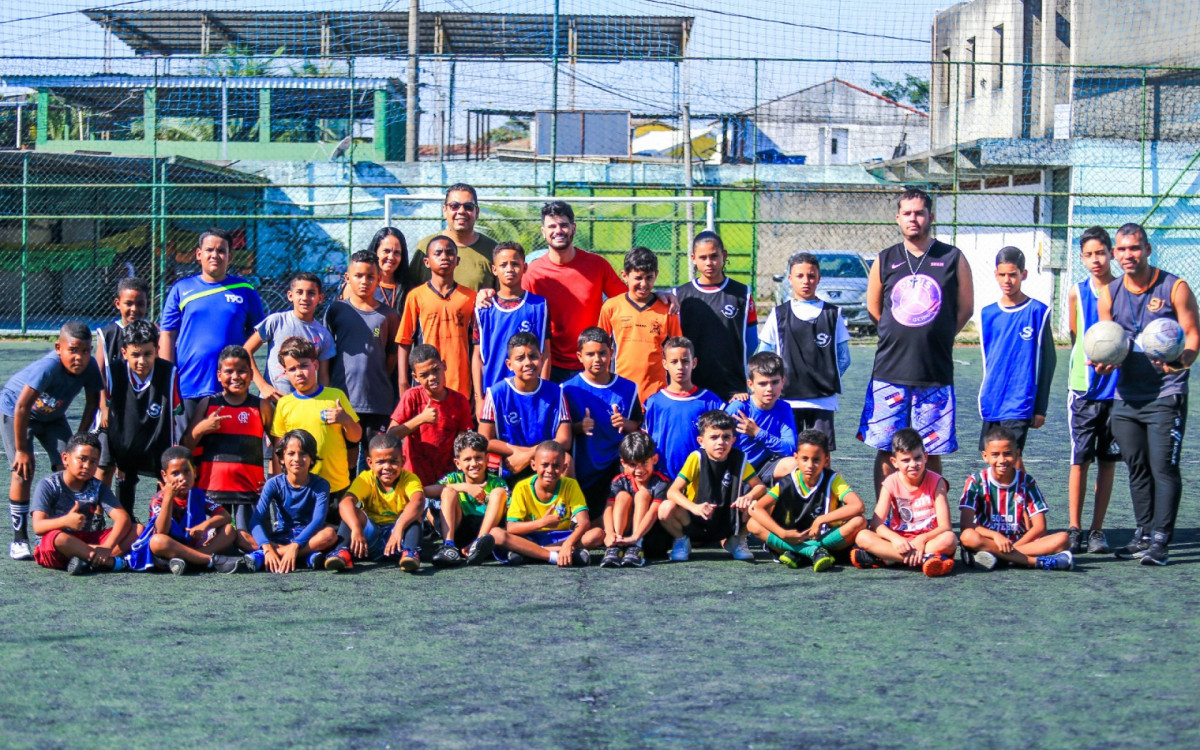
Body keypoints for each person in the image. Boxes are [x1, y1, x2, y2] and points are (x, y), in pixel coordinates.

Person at [858, 188, 974, 496]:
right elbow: (874, 310)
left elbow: (965, 308)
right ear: (898, 218)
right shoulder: (885, 260)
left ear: (931, 217)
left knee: (930, 450)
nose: (914, 219)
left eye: (920, 213)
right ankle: (887, 515)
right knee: (886, 448)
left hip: (934, 370)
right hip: (890, 371)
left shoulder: (952, 258)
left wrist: (940, 333)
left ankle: (931, 517)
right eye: (907, 213)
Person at [1097, 222, 1199, 566]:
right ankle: (1143, 534)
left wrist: (1182, 362)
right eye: (1122, 249)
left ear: (1148, 249)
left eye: (1135, 248)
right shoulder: (1109, 293)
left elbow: (1193, 334)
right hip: (1126, 396)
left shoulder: (1175, 287)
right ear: (1115, 253)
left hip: (1165, 394)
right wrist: (1104, 363)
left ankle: (1161, 541)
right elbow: (1106, 340)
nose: (1128, 255)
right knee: (1137, 466)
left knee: (1163, 467)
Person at [1, 322, 102, 560]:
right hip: (16, 411)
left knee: (71, 466)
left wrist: (79, 438)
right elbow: (23, 406)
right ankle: (19, 539)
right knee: (23, 470)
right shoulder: (48, 368)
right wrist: (23, 450)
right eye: (73, 350)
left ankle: (57, 529)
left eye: (86, 351)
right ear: (59, 347)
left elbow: (92, 402)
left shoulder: (90, 367)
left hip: (53, 417)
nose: (80, 357)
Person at [517, 201, 627, 382]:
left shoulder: (597, 265)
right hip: (549, 366)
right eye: (552, 226)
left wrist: (658, 296)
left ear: (573, 228)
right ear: (543, 232)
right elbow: (513, 303)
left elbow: (627, 300)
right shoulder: (532, 273)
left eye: (564, 225)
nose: (558, 230)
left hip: (591, 363)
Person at [158, 228, 265, 408]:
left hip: (232, 387)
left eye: (221, 251)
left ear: (230, 257)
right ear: (199, 254)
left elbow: (259, 332)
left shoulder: (245, 289)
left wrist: (240, 360)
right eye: (209, 250)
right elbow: (167, 334)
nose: (215, 255)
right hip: (188, 386)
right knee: (187, 437)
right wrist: (167, 380)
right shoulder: (181, 289)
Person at [758, 252, 851, 449]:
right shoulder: (778, 314)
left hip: (823, 402)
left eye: (811, 276)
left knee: (821, 455)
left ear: (819, 278)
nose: (806, 281)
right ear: (790, 279)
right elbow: (763, 356)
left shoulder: (834, 314)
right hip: (788, 400)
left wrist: (825, 379)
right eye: (799, 276)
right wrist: (776, 384)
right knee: (790, 452)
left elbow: (844, 358)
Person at [1065, 226, 1120, 554]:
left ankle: (1097, 530)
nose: (1095, 259)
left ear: (1111, 253)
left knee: (1108, 460)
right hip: (1084, 389)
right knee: (1079, 459)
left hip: (1117, 391)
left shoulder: (1124, 290)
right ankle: (1075, 527)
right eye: (1088, 254)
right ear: (1082, 258)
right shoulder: (1076, 292)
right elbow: (1076, 337)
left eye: (1101, 252)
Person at [184, 345, 272, 544]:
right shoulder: (208, 404)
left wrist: (273, 480)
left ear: (251, 374)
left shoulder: (261, 406)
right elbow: (185, 446)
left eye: (241, 370)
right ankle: (207, 558)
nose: (236, 376)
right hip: (212, 492)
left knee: (249, 540)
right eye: (229, 371)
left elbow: (277, 447)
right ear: (218, 375)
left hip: (249, 492)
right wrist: (202, 428)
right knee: (214, 540)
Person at [325, 250, 403, 475]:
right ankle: (343, 508)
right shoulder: (336, 310)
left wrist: (376, 382)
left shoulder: (388, 316)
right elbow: (327, 355)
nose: (364, 281)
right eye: (358, 275)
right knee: (344, 462)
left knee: (375, 461)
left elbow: (391, 357)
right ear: (348, 278)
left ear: (378, 279)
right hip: (343, 401)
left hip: (377, 402)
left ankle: (372, 509)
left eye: (370, 276)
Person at [958, 426, 1074, 571]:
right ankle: (1037, 562)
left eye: (1007, 454)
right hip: (990, 540)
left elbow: (1039, 527)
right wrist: (996, 536)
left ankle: (999, 558)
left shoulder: (1027, 482)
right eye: (995, 454)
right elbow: (966, 525)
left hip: (1020, 542)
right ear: (985, 456)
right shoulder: (976, 481)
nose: (1002, 460)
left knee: (1063, 539)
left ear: (1017, 453)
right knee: (968, 537)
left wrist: (1012, 549)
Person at [747, 429, 865, 572]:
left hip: (822, 537)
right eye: (804, 459)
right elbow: (757, 508)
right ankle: (811, 552)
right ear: (796, 458)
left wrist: (821, 519)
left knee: (860, 522)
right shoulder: (787, 482)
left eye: (816, 460)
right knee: (752, 523)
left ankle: (799, 553)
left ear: (826, 460)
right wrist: (783, 533)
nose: (810, 465)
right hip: (790, 537)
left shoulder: (833, 479)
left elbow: (858, 506)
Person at [100, 319, 183, 517]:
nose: (142, 361)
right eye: (135, 355)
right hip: (126, 444)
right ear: (124, 353)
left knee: (164, 481)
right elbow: (108, 409)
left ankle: (162, 523)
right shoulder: (114, 372)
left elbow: (175, 412)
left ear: (157, 349)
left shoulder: (168, 372)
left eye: (148, 354)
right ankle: (122, 522)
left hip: (158, 442)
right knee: (125, 479)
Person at [270, 337, 362, 513]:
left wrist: (346, 420)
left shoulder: (335, 396)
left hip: (335, 485)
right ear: (285, 373)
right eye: (292, 369)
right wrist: (279, 483)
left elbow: (356, 436)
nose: (299, 373)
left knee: (337, 537)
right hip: (300, 487)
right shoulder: (284, 404)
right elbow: (278, 449)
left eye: (304, 365)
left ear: (316, 365)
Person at [977, 247, 1055, 455]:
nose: (1007, 280)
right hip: (993, 400)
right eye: (1002, 275)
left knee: (1011, 459)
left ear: (1024, 274)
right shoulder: (987, 314)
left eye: (1013, 274)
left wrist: (1040, 408)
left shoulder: (1038, 312)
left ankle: (1028, 489)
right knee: (994, 460)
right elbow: (989, 362)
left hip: (1020, 401)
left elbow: (1048, 362)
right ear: (995, 275)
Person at [660, 410, 765, 562]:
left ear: (733, 440)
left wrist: (748, 497)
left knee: (756, 504)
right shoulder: (696, 458)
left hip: (727, 519)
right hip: (695, 520)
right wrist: (694, 507)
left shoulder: (739, 459)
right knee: (665, 508)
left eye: (726, 437)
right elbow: (672, 492)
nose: (720, 442)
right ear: (701, 441)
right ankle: (682, 541)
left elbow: (760, 486)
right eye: (714, 437)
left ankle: (737, 540)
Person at [850, 428, 957, 577]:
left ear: (926, 457)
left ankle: (889, 559)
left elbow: (945, 526)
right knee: (862, 536)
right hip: (900, 541)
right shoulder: (891, 482)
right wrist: (896, 539)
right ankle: (925, 559)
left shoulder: (936, 481)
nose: (913, 464)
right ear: (894, 462)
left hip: (927, 541)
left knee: (950, 539)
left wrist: (922, 539)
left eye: (918, 458)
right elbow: (876, 524)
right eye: (906, 460)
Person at [562, 327, 642, 522]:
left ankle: (623, 538)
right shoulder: (567, 389)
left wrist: (625, 422)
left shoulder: (628, 388)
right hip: (582, 469)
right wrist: (579, 427)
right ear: (580, 356)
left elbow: (638, 425)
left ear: (611, 353)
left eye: (602, 353)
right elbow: (558, 432)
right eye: (590, 354)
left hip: (614, 468)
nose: (597, 359)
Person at [124, 446, 244, 574]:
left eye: (187, 471)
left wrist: (205, 525)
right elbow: (161, 530)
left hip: (193, 545)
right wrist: (169, 497)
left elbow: (225, 516)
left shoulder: (197, 495)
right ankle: (209, 560)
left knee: (229, 530)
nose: (182, 478)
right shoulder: (159, 499)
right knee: (157, 541)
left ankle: (194, 559)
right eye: (175, 473)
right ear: (164, 476)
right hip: (169, 548)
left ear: (195, 472)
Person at [30, 433, 134, 574]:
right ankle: (108, 562)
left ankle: (91, 560)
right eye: (82, 459)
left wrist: (107, 547)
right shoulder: (48, 485)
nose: (87, 466)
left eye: (93, 462)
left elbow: (123, 518)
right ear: (65, 458)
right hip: (55, 546)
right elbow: (38, 526)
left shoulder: (97, 486)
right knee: (58, 538)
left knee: (137, 529)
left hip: (85, 542)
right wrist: (65, 521)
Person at [325, 433, 426, 573]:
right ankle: (342, 552)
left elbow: (419, 501)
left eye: (393, 461)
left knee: (415, 516)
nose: (387, 467)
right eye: (380, 462)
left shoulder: (410, 479)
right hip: (370, 539)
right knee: (352, 512)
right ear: (370, 462)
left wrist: (399, 528)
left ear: (402, 461)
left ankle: (409, 553)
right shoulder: (366, 478)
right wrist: (356, 528)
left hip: (397, 540)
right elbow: (345, 503)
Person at [675, 231, 758, 401]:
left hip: (734, 389)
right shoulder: (680, 295)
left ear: (724, 255)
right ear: (693, 258)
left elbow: (751, 342)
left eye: (714, 256)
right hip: (692, 387)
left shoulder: (743, 294)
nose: (709, 263)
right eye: (703, 257)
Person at [479, 332, 572, 481]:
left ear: (541, 358)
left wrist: (529, 455)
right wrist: (519, 454)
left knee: (566, 460)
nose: (528, 362)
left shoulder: (556, 392)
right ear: (509, 364)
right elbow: (485, 439)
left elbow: (565, 440)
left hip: (545, 461)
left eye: (533, 356)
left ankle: (564, 504)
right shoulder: (496, 393)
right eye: (520, 358)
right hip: (510, 461)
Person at [245, 429, 340, 573]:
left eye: (303, 454)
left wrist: (295, 546)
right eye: (291, 453)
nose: (297, 459)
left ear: (312, 459)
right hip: (281, 537)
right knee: (241, 536)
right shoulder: (273, 483)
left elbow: (318, 520)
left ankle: (272, 557)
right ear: (282, 458)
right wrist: (267, 546)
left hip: (309, 538)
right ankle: (306, 556)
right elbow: (255, 520)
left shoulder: (321, 485)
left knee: (329, 534)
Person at [598, 245, 682, 403]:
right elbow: (599, 348)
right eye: (638, 278)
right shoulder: (611, 307)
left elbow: (678, 352)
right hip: (620, 392)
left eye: (649, 277)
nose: (643, 284)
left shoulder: (667, 309)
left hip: (657, 393)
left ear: (656, 275)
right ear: (625, 275)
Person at [472, 241, 550, 412]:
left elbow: (545, 353)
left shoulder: (539, 306)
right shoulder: (483, 308)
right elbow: (478, 356)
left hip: (530, 392)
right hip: (493, 392)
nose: (509, 269)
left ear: (525, 267)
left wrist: (542, 391)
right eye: (503, 264)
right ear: (494, 270)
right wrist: (479, 399)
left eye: (515, 264)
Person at [397, 235, 477, 400]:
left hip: (460, 386)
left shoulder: (470, 297)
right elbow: (404, 342)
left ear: (457, 260)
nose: (444, 257)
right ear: (426, 261)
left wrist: (477, 390)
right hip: (426, 386)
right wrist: (403, 382)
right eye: (438, 253)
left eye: (449, 253)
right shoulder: (416, 296)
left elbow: (477, 346)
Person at [499, 440, 603, 566]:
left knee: (597, 534)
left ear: (564, 467)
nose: (550, 470)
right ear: (533, 465)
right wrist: (543, 522)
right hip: (531, 538)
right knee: (497, 534)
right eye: (545, 465)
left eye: (556, 466)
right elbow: (512, 527)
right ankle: (556, 555)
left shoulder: (570, 485)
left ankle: (531, 553)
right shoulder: (522, 488)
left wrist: (568, 544)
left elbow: (584, 522)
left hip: (562, 538)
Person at [388, 344, 475, 488]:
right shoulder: (412, 397)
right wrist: (421, 419)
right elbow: (391, 436)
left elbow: (462, 444)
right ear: (415, 377)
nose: (432, 377)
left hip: (447, 479)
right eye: (424, 375)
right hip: (412, 478)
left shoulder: (460, 401)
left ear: (444, 365)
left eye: (436, 370)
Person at [93, 276, 150, 487]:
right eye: (129, 303)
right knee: (104, 464)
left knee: (129, 465)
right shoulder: (107, 334)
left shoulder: (151, 334)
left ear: (147, 304)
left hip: (137, 411)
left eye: (140, 303)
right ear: (118, 303)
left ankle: (124, 512)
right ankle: (98, 515)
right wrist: (103, 406)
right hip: (112, 410)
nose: (134, 309)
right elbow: (98, 373)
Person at [642, 336, 726, 479]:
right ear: (664, 364)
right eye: (674, 362)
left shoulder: (711, 402)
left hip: (701, 480)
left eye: (685, 361)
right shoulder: (654, 403)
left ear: (694, 363)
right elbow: (645, 445)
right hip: (662, 481)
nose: (680, 367)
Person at [244, 271, 336, 400]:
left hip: (304, 407)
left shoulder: (323, 335)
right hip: (272, 403)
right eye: (299, 292)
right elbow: (246, 351)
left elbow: (323, 377)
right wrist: (263, 386)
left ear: (320, 298)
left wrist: (323, 403)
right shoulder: (276, 321)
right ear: (290, 295)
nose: (304, 297)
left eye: (311, 293)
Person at [428, 431, 510, 567]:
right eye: (467, 459)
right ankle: (449, 547)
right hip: (458, 529)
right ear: (458, 463)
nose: (474, 463)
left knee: (499, 493)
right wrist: (465, 487)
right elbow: (424, 491)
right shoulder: (454, 479)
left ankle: (478, 544)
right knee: (447, 491)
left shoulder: (497, 482)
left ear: (487, 459)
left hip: (486, 531)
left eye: (478, 458)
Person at [598, 431, 671, 569]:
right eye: (633, 464)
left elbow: (653, 512)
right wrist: (610, 534)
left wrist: (635, 537)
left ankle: (636, 547)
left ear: (654, 459)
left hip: (649, 538)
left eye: (644, 463)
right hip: (624, 536)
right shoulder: (619, 481)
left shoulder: (661, 482)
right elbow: (608, 508)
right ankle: (616, 545)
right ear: (623, 463)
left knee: (642, 495)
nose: (639, 469)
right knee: (623, 496)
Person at [408, 183, 498, 291]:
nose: (461, 211)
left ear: (477, 212)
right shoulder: (425, 247)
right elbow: (410, 292)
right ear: (445, 211)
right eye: (454, 206)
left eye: (468, 207)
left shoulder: (493, 250)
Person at [725, 352, 797, 484]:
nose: (770, 389)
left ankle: (779, 503)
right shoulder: (739, 407)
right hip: (735, 470)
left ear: (783, 382)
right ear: (750, 384)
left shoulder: (784, 408)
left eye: (775, 382)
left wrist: (758, 433)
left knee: (795, 464)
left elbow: (790, 449)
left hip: (764, 468)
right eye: (763, 384)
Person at [366, 226, 411, 311]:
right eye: (386, 251)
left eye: (397, 253)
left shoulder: (410, 290)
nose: (391, 257)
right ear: (375, 252)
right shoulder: (364, 286)